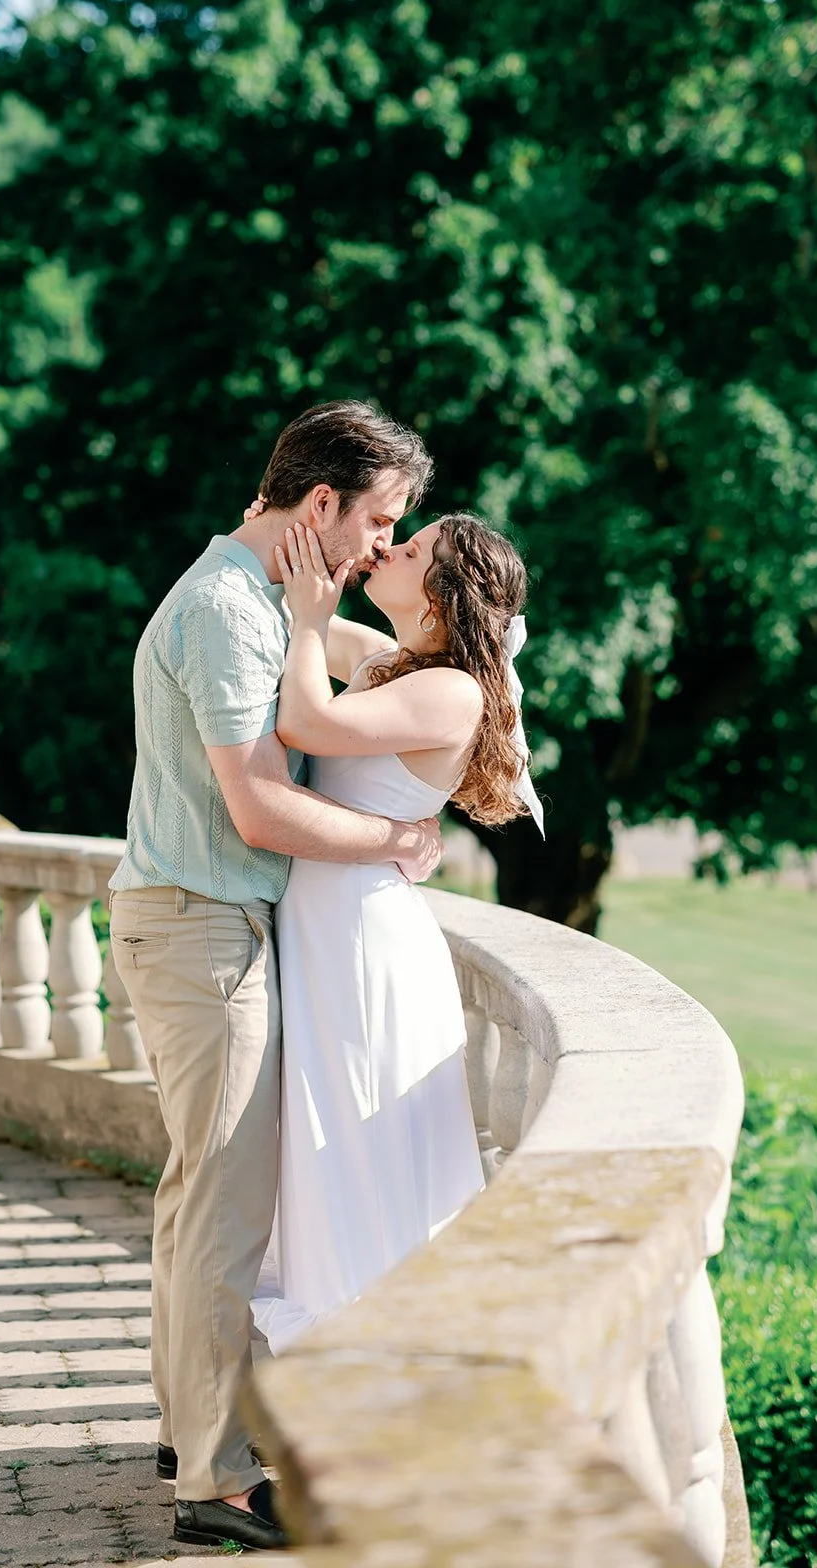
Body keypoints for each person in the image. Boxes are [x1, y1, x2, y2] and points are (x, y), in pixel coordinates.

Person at [106, 402, 444, 1553]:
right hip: (202, 932)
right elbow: (257, 804)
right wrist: (394, 846)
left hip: (201, 926)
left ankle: (187, 1425)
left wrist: (467, 674)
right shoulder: (224, 612)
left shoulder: (252, 599)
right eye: (378, 521)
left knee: (198, 1195)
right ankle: (215, 1475)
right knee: (227, 1210)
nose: (377, 549)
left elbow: (375, 664)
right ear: (318, 506)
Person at [251, 511, 542, 1354]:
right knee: (327, 1146)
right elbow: (308, 624)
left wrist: (309, 617)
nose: (391, 546)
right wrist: (283, 543)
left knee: (355, 1140)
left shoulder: (450, 688)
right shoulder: (395, 665)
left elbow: (306, 722)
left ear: (442, 593)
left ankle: (373, 1366)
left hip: (360, 941)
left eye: (411, 548)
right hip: (327, 921)